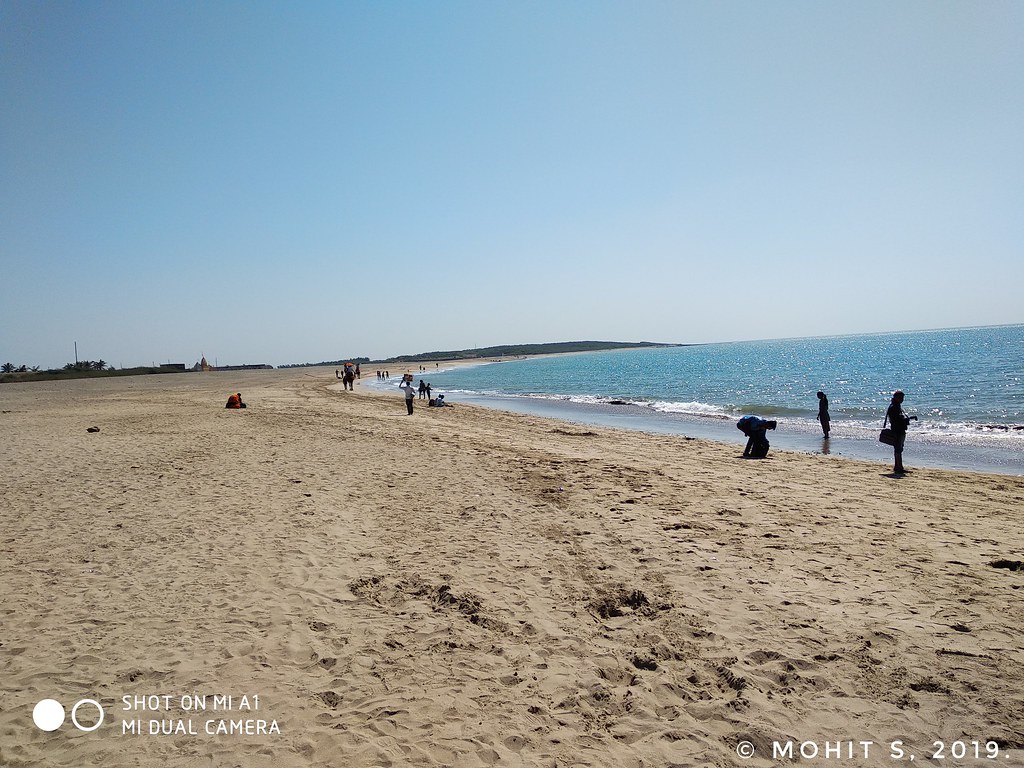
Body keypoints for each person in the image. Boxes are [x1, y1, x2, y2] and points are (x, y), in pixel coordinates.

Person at [885, 390, 918, 474]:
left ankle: (898, 467)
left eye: (902, 398)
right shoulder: (894, 407)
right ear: (896, 398)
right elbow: (897, 420)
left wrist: (908, 419)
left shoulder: (894, 406)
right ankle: (899, 467)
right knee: (898, 449)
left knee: (898, 448)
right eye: (900, 397)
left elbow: (897, 419)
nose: (902, 399)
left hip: (897, 429)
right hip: (897, 430)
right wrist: (908, 419)